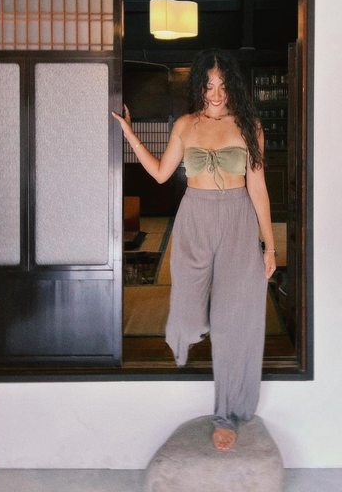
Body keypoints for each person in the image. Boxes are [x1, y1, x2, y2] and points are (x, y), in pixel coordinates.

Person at [112, 48, 276, 451]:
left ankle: (227, 414)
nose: (215, 93)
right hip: (195, 218)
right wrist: (130, 134)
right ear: (199, 86)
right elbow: (160, 173)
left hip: (238, 218)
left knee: (234, 323)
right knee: (186, 310)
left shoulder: (249, 126)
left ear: (232, 87)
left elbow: (257, 187)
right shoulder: (186, 125)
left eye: (222, 85)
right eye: (208, 85)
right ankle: (186, 330)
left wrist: (269, 246)